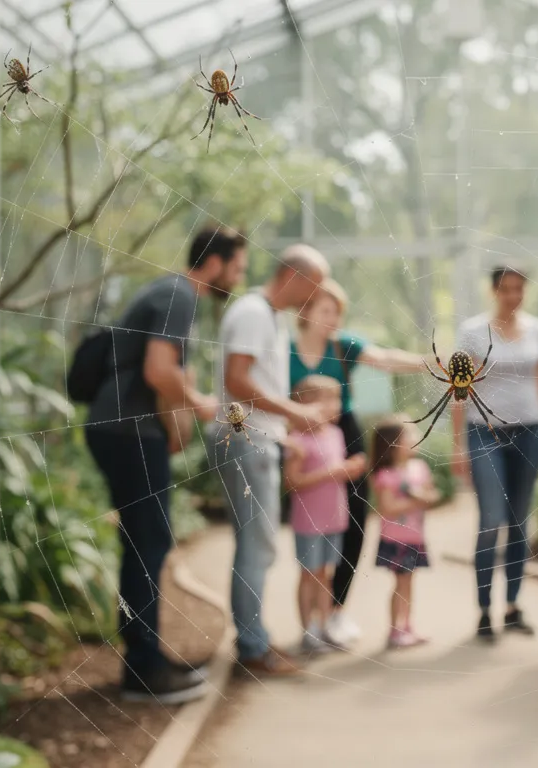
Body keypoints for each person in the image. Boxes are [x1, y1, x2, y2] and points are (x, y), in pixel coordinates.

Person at [84, 225, 245, 702]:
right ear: (213, 263)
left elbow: (156, 376)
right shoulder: (181, 295)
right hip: (128, 432)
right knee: (148, 543)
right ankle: (144, 671)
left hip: (127, 430)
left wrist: (174, 429)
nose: (236, 279)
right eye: (235, 269)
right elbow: (159, 370)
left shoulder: (167, 292)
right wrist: (199, 403)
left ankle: (146, 659)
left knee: (145, 541)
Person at [289, 278, 424, 646]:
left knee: (352, 525)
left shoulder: (343, 345)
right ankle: (311, 622)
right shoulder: (284, 351)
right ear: (306, 311)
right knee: (309, 533)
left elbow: (384, 359)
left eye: (337, 311)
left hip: (342, 435)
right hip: (298, 438)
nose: (333, 318)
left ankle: (336, 611)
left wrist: (428, 362)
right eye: (325, 310)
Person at [217, 243, 331, 677]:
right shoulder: (252, 313)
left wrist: (285, 437)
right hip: (246, 442)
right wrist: (297, 413)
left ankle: (254, 641)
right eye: (313, 286)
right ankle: (252, 648)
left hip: (258, 440)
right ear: (293, 277)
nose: (314, 297)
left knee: (256, 544)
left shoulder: (268, 317)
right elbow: (236, 380)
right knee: (257, 545)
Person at [452, 265, 538, 642]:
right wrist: (457, 446)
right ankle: (484, 611)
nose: (513, 296)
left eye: (519, 289)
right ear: (494, 290)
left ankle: (512, 607)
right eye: (506, 289)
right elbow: (459, 389)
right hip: (484, 435)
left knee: (519, 523)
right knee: (491, 520)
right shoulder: (472, 332)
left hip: (529, 433)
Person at [283, 375, 365, 654]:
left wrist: (350, 468)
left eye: (337, 399)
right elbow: (292, 482)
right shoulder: (295, 440)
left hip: (335, 518)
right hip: (308, 522)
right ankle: (308, 631)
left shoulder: (337, 434)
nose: (337, 406)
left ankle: (325, 625)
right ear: (305, 404)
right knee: (309, 574)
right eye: (329, 399)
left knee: (326, 574)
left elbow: (338, 470)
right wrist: (335, 472)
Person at [369, 416, 441, 649]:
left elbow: (432, 496)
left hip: (415, 537)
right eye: (408, 435)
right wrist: (415, 499)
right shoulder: (385, 475)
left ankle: (407, 626)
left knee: (409, 584)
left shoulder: (420, 468)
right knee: (400, 584)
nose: (415, 438)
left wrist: (420, 498)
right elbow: (387, 508)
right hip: (395, 538)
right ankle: (394, 630)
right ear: (393, 444)